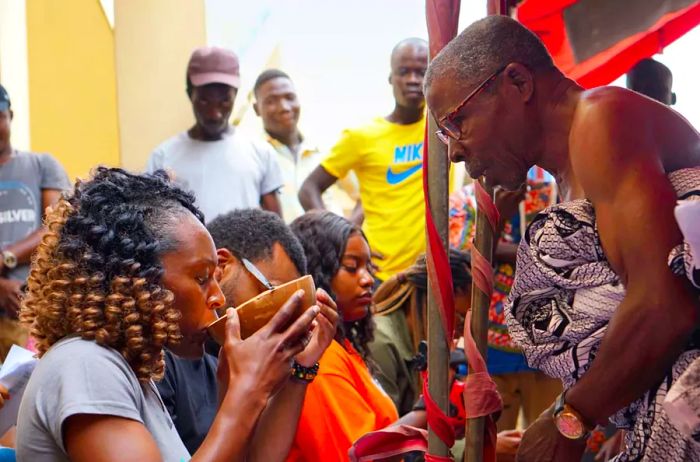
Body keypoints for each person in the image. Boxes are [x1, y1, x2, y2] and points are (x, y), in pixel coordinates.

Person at [425, 15, 700, 461]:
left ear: (517, 81)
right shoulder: (572, 165)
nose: (453, 150)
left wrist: (570, 418)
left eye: (456, 122)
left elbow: (664, 302)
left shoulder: (601, 121)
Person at [16, 167, 332, 461]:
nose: (217, 297)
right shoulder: (84, 364)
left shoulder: (131, 373)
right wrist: (246, 392)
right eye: (200, 277)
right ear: (135, 278)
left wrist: (267, 378)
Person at [156, 208, 338, 456]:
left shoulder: (222, 356)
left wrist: (301, 369)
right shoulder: (165, 355)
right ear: (221, 267)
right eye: (272, 293)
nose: (278, 314)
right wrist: (247, 388)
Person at [299, 38, 430, 283]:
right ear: (391, 78)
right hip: (381, 274)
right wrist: (339, 239)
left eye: (421, 72)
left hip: (432, 273)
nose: (413, 79)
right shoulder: (362, 136)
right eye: (404, 72)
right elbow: (309, 188)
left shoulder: (444, 130)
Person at [448, 166, 562, 431]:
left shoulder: (553, 196)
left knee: (548, 442)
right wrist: (496, 221)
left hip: (548, 346)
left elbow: (563, 254)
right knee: (493, 443)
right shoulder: (463, 204)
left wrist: (499, 250)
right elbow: (465, 264)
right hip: (491, 350)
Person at [287, 210, 398, 461]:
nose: (368, 279)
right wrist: (423, 415)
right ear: (317, 274)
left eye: (368, 267)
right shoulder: (319, 361)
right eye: (351, 267)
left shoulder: (340, 344)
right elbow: (355, 454)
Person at [147, 47, 284, 222]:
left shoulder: (261, 152)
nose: (215, 114)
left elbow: (277, 228)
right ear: (190, 94)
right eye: (204, 101)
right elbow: (154, 226)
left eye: (224, 101)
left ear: (236, 95)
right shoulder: (163, 157)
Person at [0, 83, 70, 357]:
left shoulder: (42, 165)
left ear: (11, 116)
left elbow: (55, 227)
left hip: (35, 314)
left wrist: (7, 257)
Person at [370, 249, 472, 417]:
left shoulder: (416, 342)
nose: (461, 335)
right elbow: (386, 436)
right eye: (461, 319)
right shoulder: (381, 344)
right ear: (435, 301)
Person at [253, 69, 359, 222]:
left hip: (329, 245)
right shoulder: (254, 155)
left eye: (290, 97)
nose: (284, 107)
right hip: (282, 245)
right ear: (256, 109)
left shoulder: (326, 150)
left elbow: (363, 196)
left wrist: (347, 234)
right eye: (271, 101)